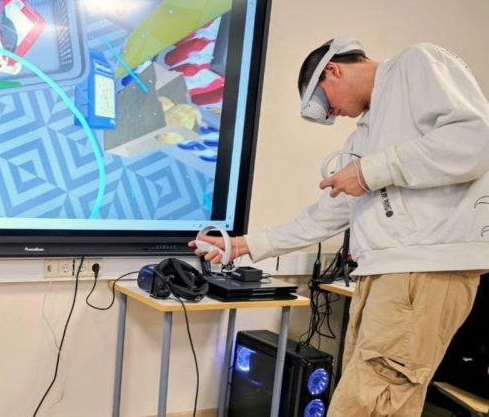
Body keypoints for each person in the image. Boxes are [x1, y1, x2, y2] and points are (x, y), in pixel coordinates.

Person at [190, 37, 489, 416]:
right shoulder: (365, 134)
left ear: (332, 69)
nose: (334, 114)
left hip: (422, 269)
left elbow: (475, 142)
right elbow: (325, 216)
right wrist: (242, 245)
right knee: (374, 394)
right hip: (385, 272)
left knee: (373, 398)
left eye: (328, 104)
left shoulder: (415, 64)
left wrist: (369, 172)